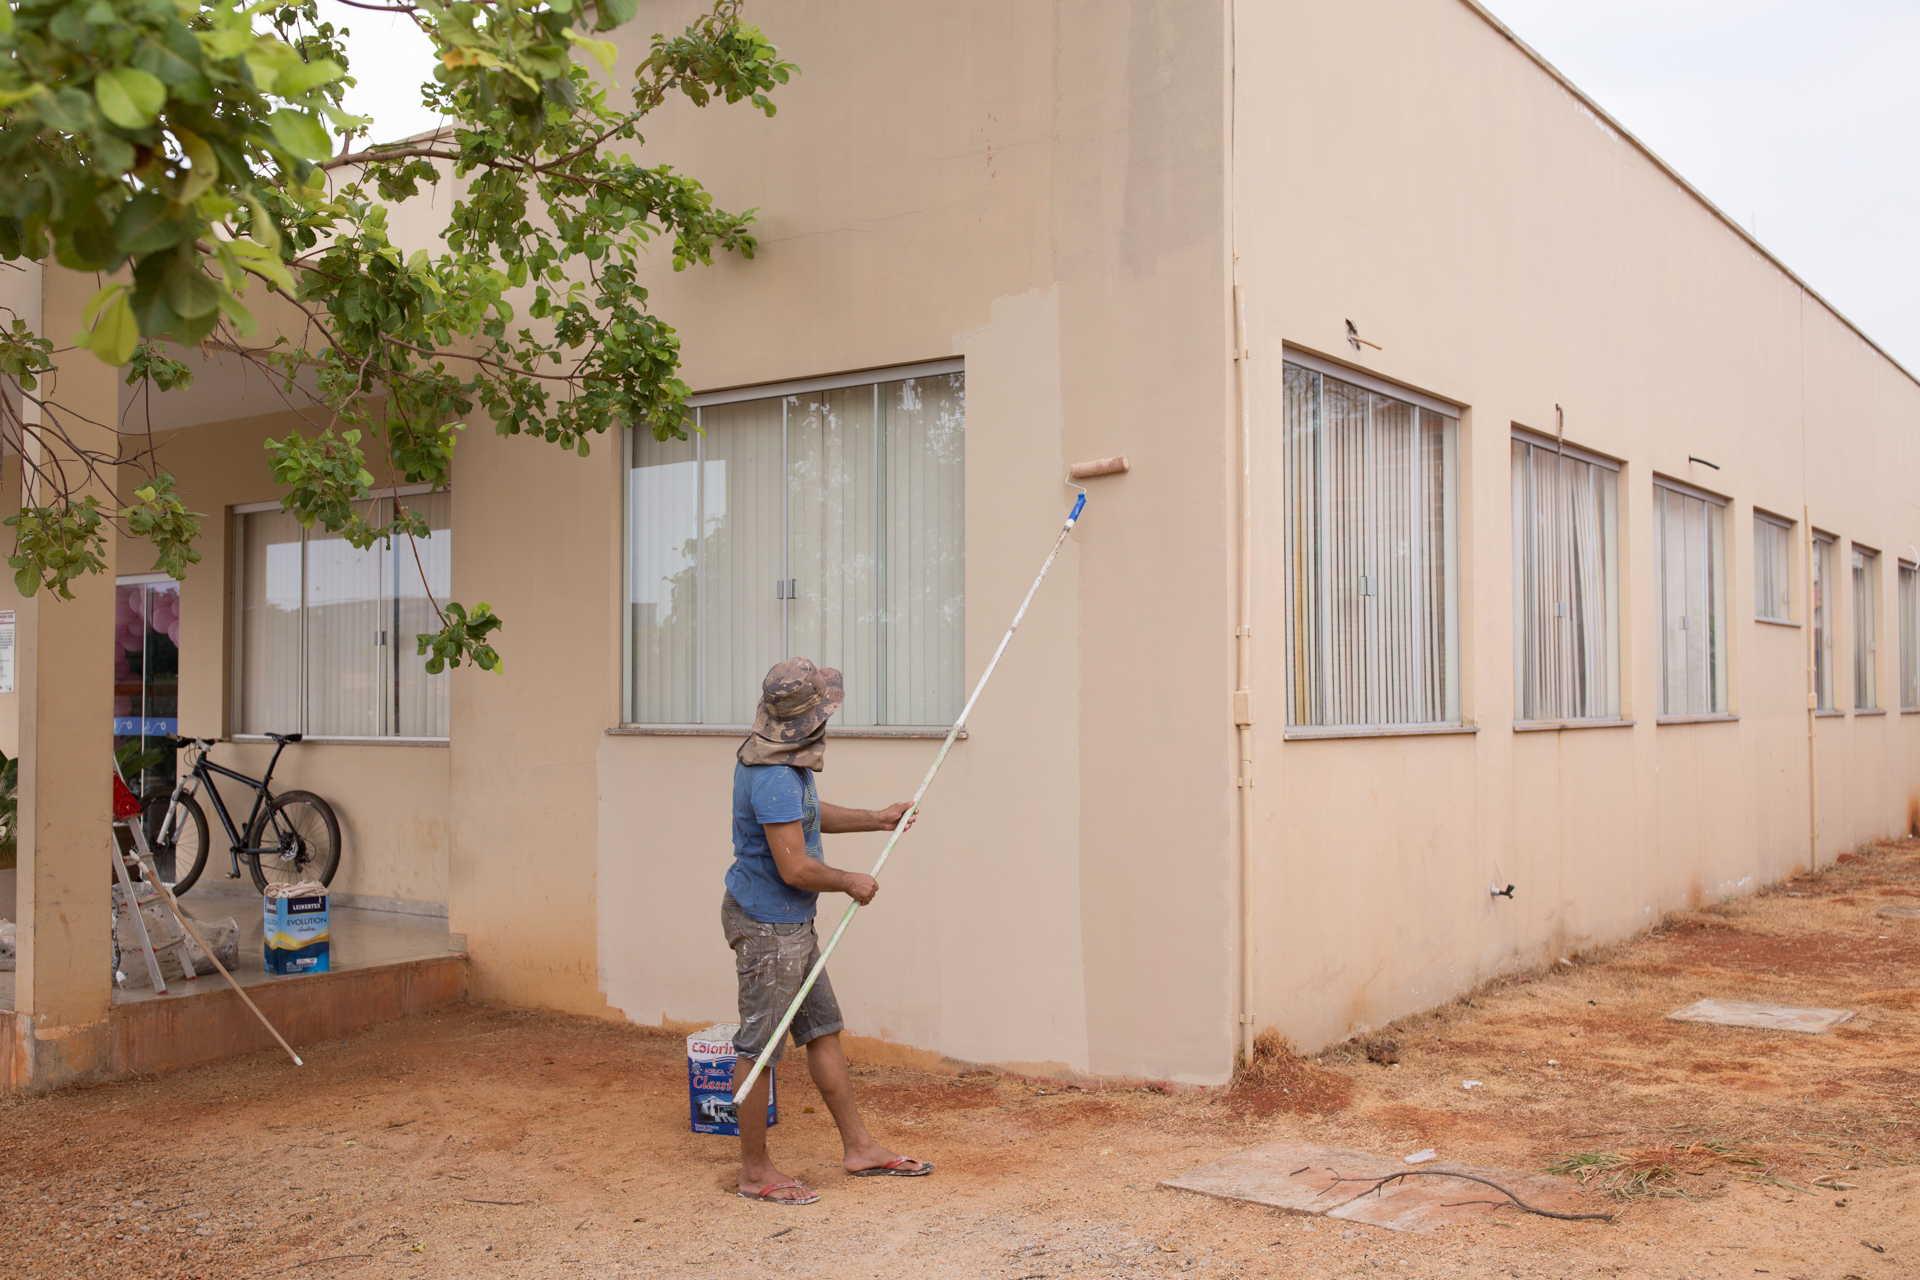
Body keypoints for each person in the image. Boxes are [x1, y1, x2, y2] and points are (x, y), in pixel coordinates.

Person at [725, 657, 934, 1205]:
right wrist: (849, 882)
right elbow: (795, 868)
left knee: (822, 1029)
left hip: (793, 922)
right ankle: (754, 1172)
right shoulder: (771, 776)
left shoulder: (782, 766)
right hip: (770, 928)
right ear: (807, 720)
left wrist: (878, 817)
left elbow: (808, 818)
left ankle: (859, 1147)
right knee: (760, 1046)